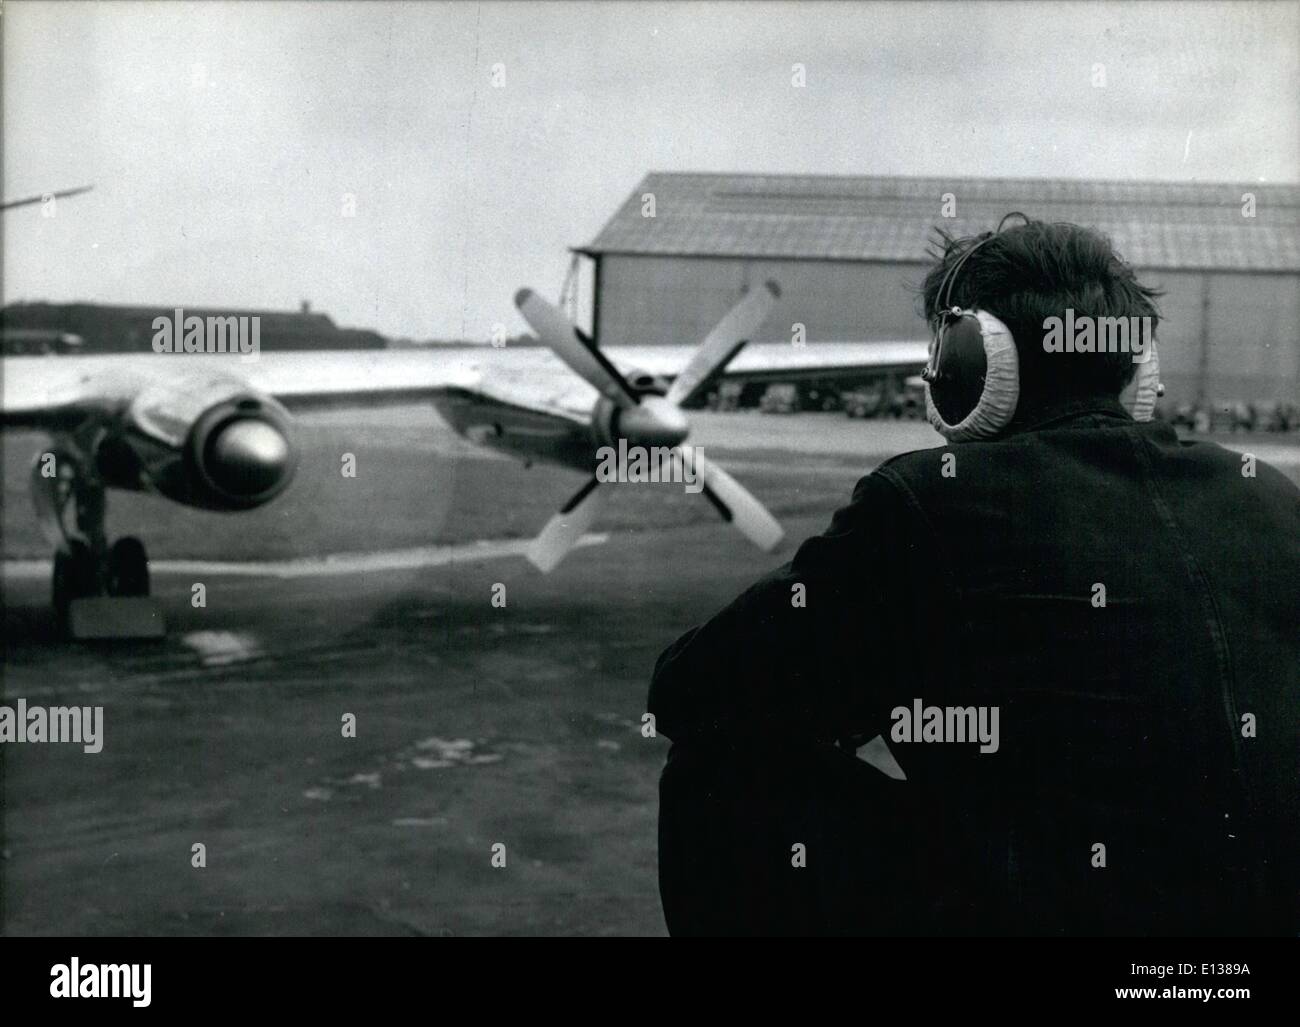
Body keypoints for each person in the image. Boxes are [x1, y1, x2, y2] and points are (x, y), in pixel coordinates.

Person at [648, 217, 1300, 936]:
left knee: (716, 769)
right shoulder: (1272, 497)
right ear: (1137, 368)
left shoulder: (930, 503)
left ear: (968, 363)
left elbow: (689, 690)